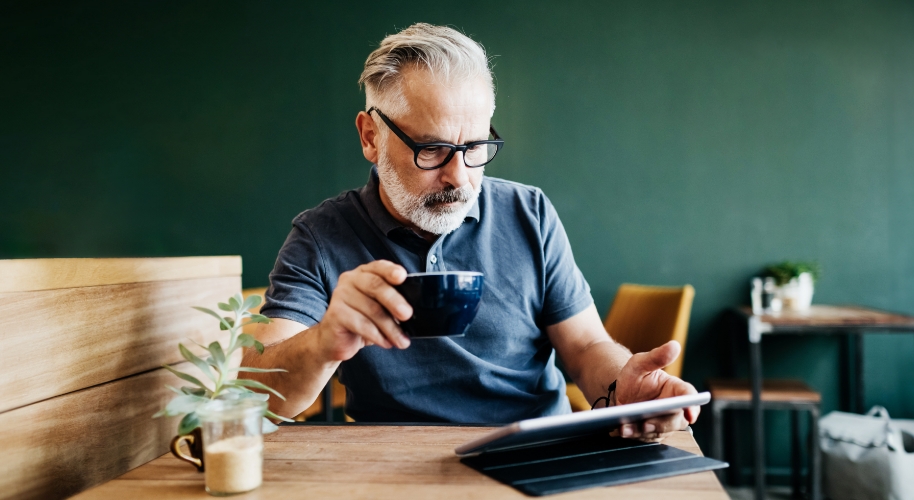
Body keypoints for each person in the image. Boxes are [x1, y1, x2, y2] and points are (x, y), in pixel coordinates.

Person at [241, 23, 699, 441]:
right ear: (370, 137)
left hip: (535, 448)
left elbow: (584, 345)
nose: (460, 177)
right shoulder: (321, 237)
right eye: (434, 149)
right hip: (392, 462)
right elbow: (257, 394)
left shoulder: (529, 212)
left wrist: (624, 385)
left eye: (476, 146)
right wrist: (324, 342)